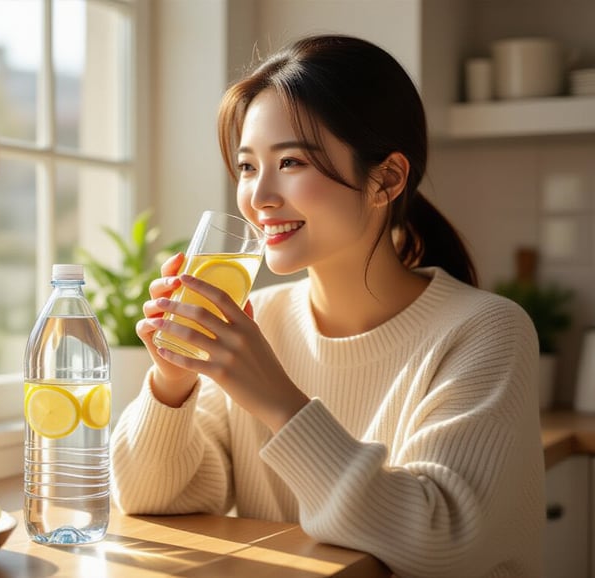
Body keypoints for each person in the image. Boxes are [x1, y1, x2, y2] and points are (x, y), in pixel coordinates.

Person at [110, 35, 543, 578]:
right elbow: (155, 500)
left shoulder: (486, 331)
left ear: (386, 179)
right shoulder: (256, 319)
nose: (259, 196)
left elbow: (439, 541)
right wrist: (171, 385)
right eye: (247, 167)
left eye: (290, 161)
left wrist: (275, 398)